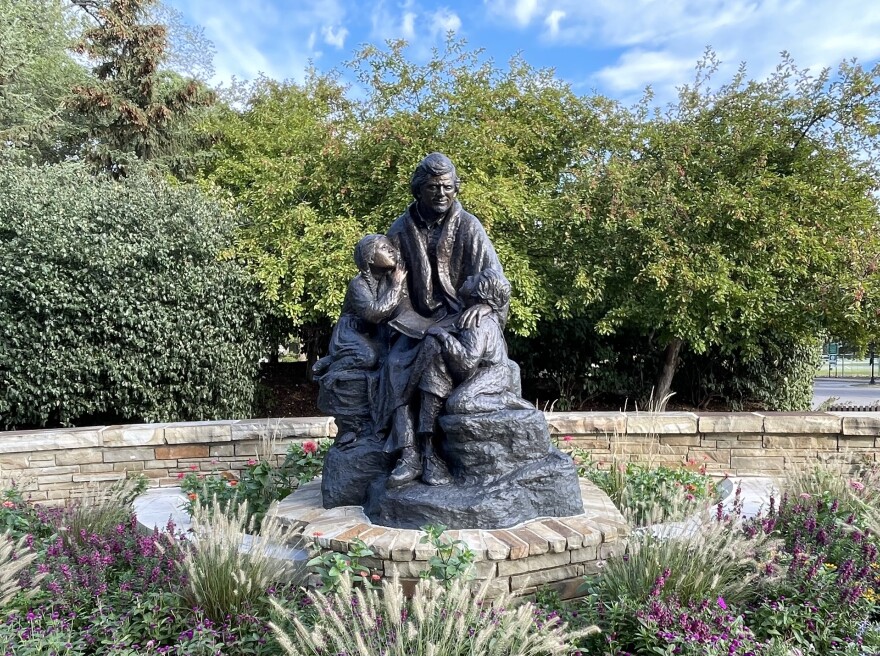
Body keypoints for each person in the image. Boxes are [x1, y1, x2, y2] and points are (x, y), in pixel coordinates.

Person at [378, 153, 508, 487]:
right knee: (396, 363)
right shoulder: (401, 229)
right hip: (415, 318)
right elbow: (391, 285)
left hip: (459, 318)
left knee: (434, 355)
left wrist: (486, 304)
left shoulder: (469, 225)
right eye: (433, 187)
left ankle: (429, 451)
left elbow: (494, 275)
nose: (441, 194)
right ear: (418, 190)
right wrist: (410, 320)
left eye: (448, 188)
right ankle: (407, 453)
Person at [313, 234, 407, 446]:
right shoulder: (359, 284)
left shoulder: (382, 280)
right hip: (351, 333)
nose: (391, 250)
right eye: (384, 248)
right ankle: (332, 364)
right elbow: (374, 313)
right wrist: (396, 286)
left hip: (372, 334)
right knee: (368, 357)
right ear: (370, 258)